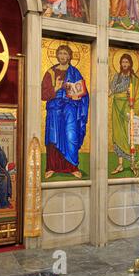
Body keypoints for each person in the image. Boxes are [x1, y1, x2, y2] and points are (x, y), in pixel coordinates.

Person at [41, 45, 89, 180]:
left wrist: (78, 96)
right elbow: (43, 94)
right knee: (53, 137)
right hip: (54, 108)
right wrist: (55, 88)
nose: (63, 56)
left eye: (65, 54)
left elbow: (83, 93)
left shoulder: (75, 72)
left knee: (71, 136)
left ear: (69, 56)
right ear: (57, 55)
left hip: (70, 108)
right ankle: (51, 167)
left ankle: (72, 167)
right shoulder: (50, 72)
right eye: (60, 53)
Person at [109, 54, 139, 175]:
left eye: (127, 62)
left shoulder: (134, 79)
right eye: (123, 62)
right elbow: (111, 90)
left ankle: (133, 164)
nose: (125, 64)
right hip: (116, 108)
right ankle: (120, 164)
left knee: (130, 136)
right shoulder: (116, 77)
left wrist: (132, 105)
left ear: (131, 64)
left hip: (129, 109)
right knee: (118, 136)